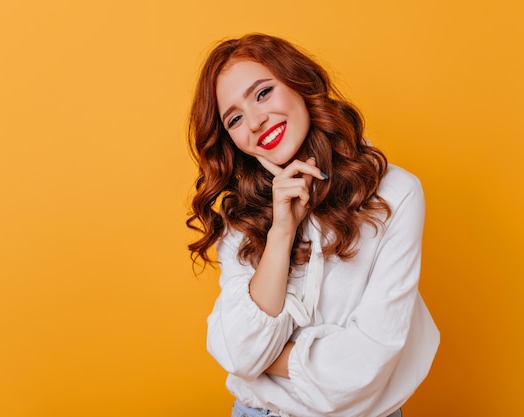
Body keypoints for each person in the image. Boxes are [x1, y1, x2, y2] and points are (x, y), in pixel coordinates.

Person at [187, 33, 439, 417]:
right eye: (235, 118)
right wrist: (281, 233)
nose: (255, 122)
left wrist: (268, 358)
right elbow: (240, 354)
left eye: (263, 93)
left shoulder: (395, 194)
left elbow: (364, 366)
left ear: (300, 82)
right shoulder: (240, 216)